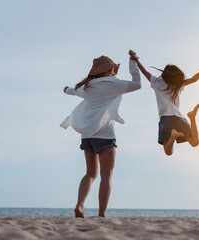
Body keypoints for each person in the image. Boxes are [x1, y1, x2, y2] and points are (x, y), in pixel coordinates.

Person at [60, 52, 141, 218]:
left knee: (90, 173)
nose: (114, 73)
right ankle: (102, 214)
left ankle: (79, 205)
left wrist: (66, 90)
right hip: (105, 134)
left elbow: (73, 90)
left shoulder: (88, 86)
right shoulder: (113, 84)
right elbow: (137, 84)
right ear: (109, 70)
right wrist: (133, 63)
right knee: (106, 175)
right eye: (113, 70)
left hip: (87, 135)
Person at [129, 50, 199, 155]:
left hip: (166, 119)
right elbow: (194, 79)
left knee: (168, 152)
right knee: (195, 143)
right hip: (180, 118)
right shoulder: (178, 85)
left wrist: (135, 60)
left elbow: (144, 72)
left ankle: (172, 136)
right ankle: (192, 118)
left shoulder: (157, 82)